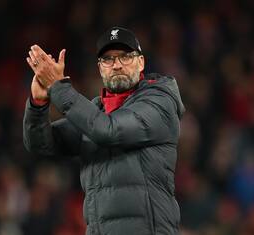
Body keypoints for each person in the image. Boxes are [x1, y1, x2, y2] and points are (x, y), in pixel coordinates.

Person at [23, 26, 185, 235]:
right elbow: (40, 144)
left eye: (125, 57)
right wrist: (38, 103)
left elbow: (108, 130)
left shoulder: (159, 102)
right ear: (100, 68)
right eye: (107, 59)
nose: (116, 65)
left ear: (141, 62)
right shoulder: (95, 112)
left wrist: (58, 86)